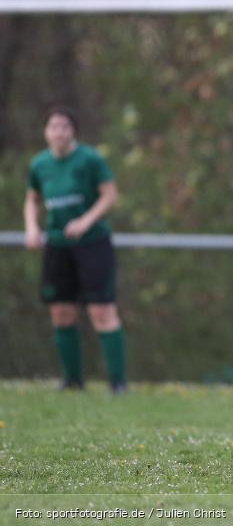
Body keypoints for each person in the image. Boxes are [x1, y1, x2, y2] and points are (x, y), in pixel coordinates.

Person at [23, 106, 127, 393]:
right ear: (46, 132)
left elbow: (110, 195)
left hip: (92, 243)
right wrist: (32, 227)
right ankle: (72, 381)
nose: (58, 132)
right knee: (60, 311)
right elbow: (31, 199)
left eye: (64, 127)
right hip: (57, 244)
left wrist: (84, 221)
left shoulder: (90, 159)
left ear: (73, 131)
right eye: (53, 127)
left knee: (101, 310)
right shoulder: (39, 165)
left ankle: (117, 383)